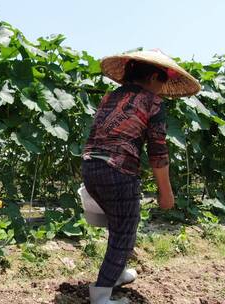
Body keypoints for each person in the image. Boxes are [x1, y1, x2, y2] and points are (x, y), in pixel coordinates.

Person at [81, 50, 201, 304]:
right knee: (125, 229)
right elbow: (158, 153)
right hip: (118, 171)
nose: (161, 88)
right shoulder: (153, 102)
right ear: (155, 77)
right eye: (162, 80)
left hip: (90, 166)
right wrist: (166, 193)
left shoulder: (110, 97)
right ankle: (101, 295)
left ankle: (117, 273)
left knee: (120, 224)